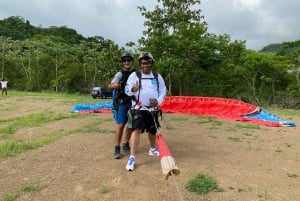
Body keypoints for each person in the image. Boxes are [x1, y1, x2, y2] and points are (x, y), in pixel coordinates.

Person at [124, 52, 167, 171]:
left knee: (153, 130)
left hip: (152, 109)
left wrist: (158, 101)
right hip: (139, 108)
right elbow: (127, 90)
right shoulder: (134, 75)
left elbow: (163, 90)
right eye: (143, 63)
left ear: (151, 63)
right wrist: (133, 89)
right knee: (136, 129)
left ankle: (152, 149)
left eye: (147, 63)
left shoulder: (157, 76)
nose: (145, 65)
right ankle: (132, 157)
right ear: (140, 64)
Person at [108, 52, 135, 159]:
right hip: (123, 103)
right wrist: (118, 85)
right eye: (125, 60)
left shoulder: (135, 73)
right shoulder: (120, 74)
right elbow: (110, 86)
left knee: (130, 124)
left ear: (132, 61)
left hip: (133, 103)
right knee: (121, 124)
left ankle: (126, 143)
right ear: (122, 62)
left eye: (129, 60)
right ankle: (117, 147)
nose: (127, 62)